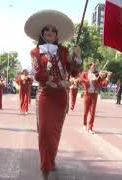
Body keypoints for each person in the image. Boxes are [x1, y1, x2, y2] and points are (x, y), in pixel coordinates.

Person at [25, 9, 82, 180]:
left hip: (60, 98)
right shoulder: (35, 52)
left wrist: (77, 58)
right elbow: (38, 74)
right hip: (45, 96)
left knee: (55, 132)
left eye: (53, 30)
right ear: (42, 33)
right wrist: (58, 83)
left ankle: (51, 159)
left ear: (57, 34)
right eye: (46, 30)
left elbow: (73, 72)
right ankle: (45, 168)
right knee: (44, 131)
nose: (50, 32)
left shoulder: (63, 51)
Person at [80, 63, 111, 134]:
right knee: (85, 111)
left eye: (95, 67)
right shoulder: (85, 74)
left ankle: (90, 127)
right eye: (93, 67)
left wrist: (107, 77)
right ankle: (84, 124)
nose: (94, 68)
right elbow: (81, 79)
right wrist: (88, 80)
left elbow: (103, 84)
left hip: (94, 95)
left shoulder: (97, 76)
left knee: (92, 112)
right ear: (89, 67)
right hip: (87, 94)